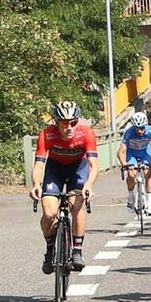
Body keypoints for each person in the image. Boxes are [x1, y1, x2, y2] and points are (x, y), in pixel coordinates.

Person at [31, 101, 99, 273]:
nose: (69, 127)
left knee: (76, 205)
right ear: (56, 122)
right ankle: (49, 248)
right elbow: (39, 165)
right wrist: (36, 185)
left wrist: (89, 185)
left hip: (78, 168)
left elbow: (94, 164)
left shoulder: (86, 133)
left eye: (73, 122)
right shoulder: (47, 134)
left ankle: (77, 250)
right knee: (49, 213)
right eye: (64, 123)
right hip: (55, 170)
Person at [121, 112, 151, 216]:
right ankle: (130, 197)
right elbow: (120, 152)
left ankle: (150, 203)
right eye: (137, 128)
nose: (140, 131)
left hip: (145, 152)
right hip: (132, 153)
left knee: (148, 173)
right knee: (131, 174)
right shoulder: (129, 132)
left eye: (142, 128)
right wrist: (124, 163)